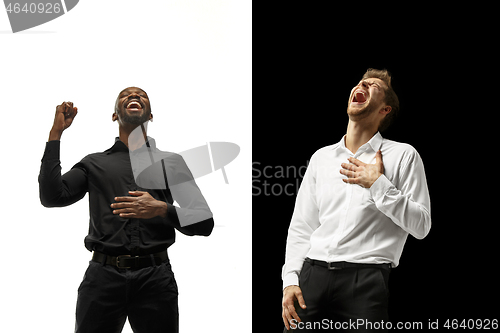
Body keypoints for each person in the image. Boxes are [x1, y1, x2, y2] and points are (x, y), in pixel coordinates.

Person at [38, 86, 214, 333]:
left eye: (141, 95)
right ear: (114, 115)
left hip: (155, 281)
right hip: (102, 280)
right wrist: (56, 133)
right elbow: (51, 197)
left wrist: (162, 209)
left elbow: (205, 222)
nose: (133, 96)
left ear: (150, 115)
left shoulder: (170, 162)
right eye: (125, 95)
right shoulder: (94, 163)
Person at [281, 69, 431, 332]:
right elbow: (302, 226)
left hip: (365, 282)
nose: (362, 84)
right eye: (361, 82)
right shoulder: (321, 158)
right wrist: (290, 280)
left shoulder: (404, 155)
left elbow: (421, 226)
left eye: (373, 85)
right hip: (311, 278)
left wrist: (378, 184)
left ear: (385, 109)